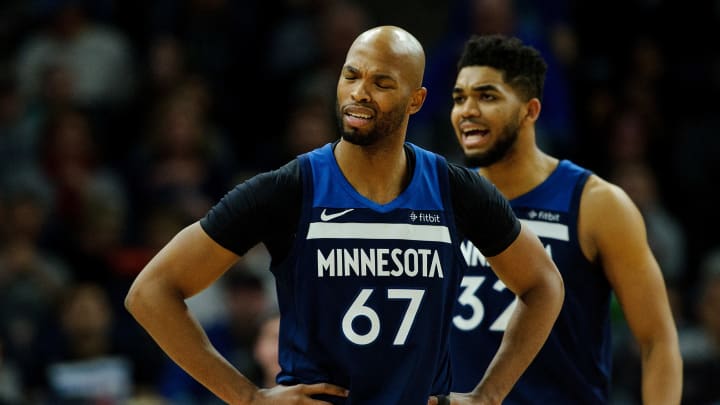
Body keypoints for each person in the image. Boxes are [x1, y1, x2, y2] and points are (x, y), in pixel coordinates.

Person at [125, 25, 564, 405]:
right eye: (351, 75)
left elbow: (543, 284)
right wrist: (245, 396)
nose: (359, 92)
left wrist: (490, 394)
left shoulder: (454, 189)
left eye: (381, 82)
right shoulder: (291, 189)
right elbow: (151, 292)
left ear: (416, 100)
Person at [448, 34, 682, 404]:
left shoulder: (597, 203)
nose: (467, 110)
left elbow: (657, 339)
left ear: (531, 110)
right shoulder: (443, 199)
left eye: (487, 96)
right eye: (459, 98)